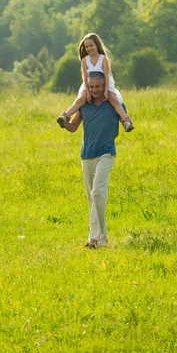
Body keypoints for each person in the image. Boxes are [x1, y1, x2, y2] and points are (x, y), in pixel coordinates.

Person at [63, 70, 122, 248]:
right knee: (93, 198)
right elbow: (73, 127)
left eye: (98, 86)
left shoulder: (113, 102)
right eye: (91, 87)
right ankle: (99, 238)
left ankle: (96, 238)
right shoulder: (85, 105)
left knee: (98, 192)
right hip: (87, 154)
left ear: (105, 86)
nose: (95, 90)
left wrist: (127, 123)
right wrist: (64, 121)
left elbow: (125, 119)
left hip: (106, 152)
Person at [57, 33, 134, 132]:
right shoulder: (85, 60)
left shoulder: (103, 59)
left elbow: (106, 75)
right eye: (87, 47)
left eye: (91, 45)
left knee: (114, 100)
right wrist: (88, 91)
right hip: (89, 84)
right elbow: (84, 77)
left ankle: (126, 121)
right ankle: (65, 116)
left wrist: (106, 90)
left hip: (104, 83)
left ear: (97, 45)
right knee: (80, 100)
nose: (89, 48)